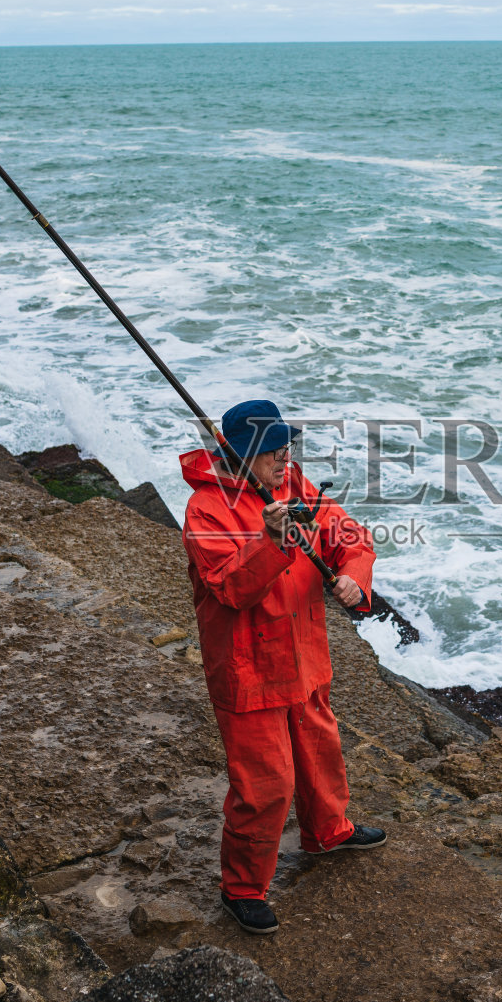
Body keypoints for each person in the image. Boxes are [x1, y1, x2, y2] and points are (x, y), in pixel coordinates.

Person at [180, 398, 387, 935]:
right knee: (265, 786)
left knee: (321, 754)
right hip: (247, 672)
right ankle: (243, 889)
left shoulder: (294, 484)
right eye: (272, 450)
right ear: (240, 457)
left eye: (286, 445)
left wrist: (354, 577)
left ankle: (329, 831)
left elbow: (349, 533)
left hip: (304, 658)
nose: (284, 457)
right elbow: (229, 589)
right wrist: (270, 543)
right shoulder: (206, 509)